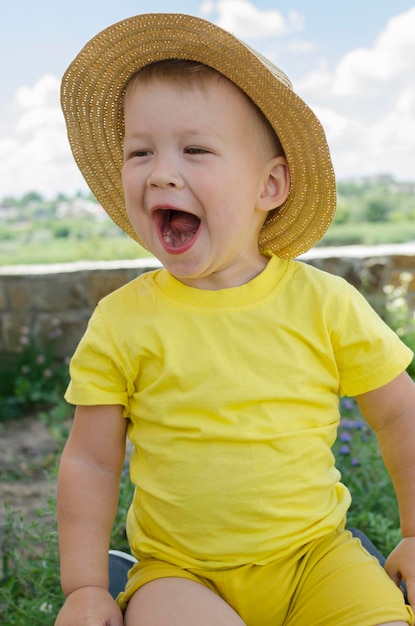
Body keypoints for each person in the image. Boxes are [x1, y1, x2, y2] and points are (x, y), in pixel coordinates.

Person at [55, 13, 415, 626]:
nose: (162, 170)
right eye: (140, 151)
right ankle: (119, 578)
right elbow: (89, 460)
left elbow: (400, 413)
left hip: (315, 557)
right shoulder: (122, 321)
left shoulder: (323, 303)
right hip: (179, 571)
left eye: (195, 149)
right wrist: (82, 588)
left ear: (269, 184)